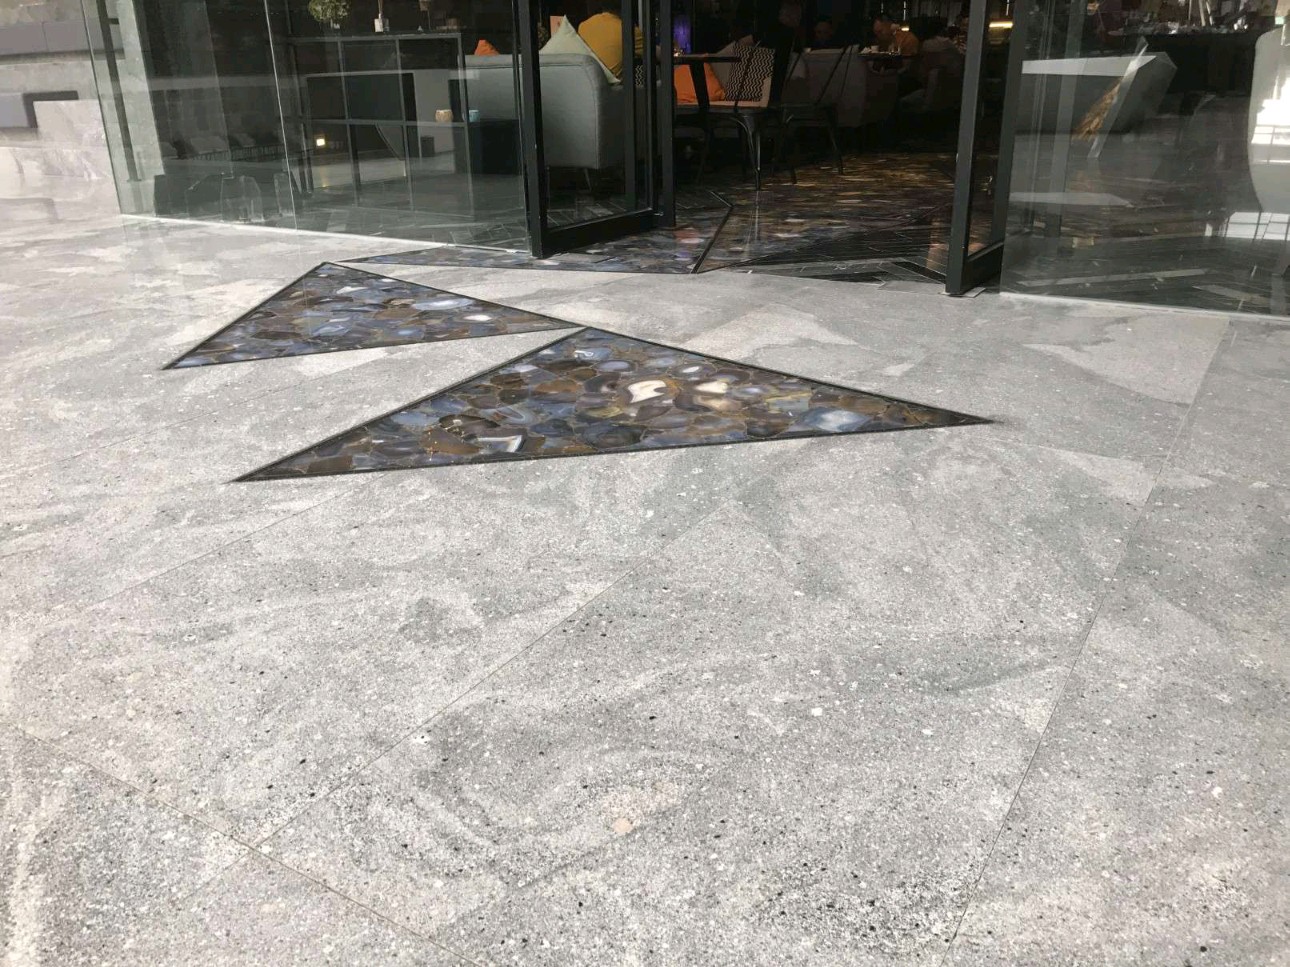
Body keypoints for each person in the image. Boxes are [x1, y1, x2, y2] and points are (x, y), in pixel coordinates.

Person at [578, 0, 643, 79]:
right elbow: (654, 54)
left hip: (586, 82)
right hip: (612, 85)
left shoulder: (583, 26)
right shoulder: (630, 31)